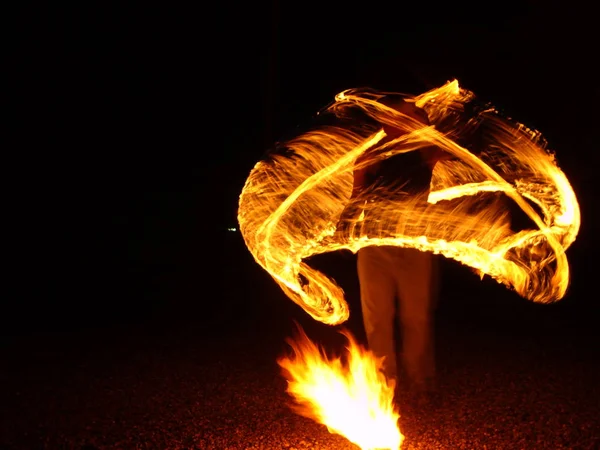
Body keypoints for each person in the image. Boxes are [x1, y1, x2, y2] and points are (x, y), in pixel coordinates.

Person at [339, 95, 448, 394]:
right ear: (387, 117)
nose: (411, 116)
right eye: (405, 112)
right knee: (377, 318)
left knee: (416, 315)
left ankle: (421, 381)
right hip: (375, 245)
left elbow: (462, 151)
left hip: (413, 244)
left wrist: (430, 121)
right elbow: (356, 196)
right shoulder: (371, 154)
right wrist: (344, 226)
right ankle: (383, 385)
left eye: (412, 113)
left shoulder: (424, 148)